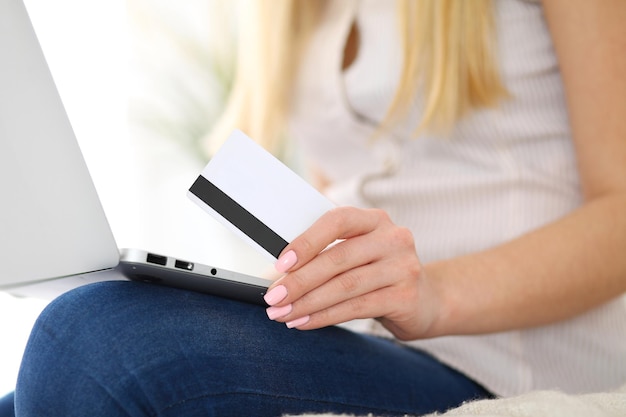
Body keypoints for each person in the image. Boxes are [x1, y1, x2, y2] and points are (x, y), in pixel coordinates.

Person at [4, 0, 626, 415]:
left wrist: (431, 294)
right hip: (366, 341)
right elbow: (337, 208)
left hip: (504, 360)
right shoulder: (294, 12)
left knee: (92, 341)